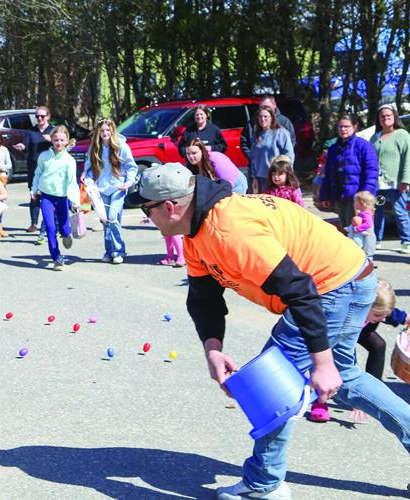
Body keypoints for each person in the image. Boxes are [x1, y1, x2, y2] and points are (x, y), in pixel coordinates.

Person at [125, 162, 410, 499]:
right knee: (345, 376)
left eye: (147, 208)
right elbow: (203, 298)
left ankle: (264, 484)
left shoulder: (229, 229)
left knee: (269, 385)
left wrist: (321, 362)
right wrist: (213, 349)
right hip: (347, 278)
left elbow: (300, 291)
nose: (146, 216)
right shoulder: (196, 231)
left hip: (331, 288)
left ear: (170, 207)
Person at [310, 279, 408, 423]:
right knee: (324, 366)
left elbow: (391, 314)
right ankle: (319, 402)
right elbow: (349, 361)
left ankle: (374, 389)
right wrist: (359, 394)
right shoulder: (347, 315)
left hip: (360, 329)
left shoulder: (378, 311)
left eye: (384, 316)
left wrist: (405, 319)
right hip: (334, 335)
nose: (382, 320)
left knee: (378, 345)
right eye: (378, 316)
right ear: (365, 304)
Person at [81, 118, 137, 264]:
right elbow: (89, 168)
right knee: (105, 221)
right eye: (102, 130)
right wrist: (87, 179)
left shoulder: (121, 146)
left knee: (112, 217)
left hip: (118, 188)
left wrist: (128, 182)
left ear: (112, 131)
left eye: (108, 130)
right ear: (98, 132)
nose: (105, 133)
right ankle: (109, 251)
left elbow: (131, 167)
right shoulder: (94, 148)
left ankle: (119, 251)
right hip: (101, 190)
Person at [30, 125, 79, 271]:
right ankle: (57, 257)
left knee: (64, 228)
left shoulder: (69, 161)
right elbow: (38, 174)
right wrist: (33, 190)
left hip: (62, 198)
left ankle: (66, 234)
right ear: (51, 140)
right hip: (46, 197)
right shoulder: (44, 156)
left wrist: (75, 201)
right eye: (56, 139)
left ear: (67, 141)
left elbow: (72, 183)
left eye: (62, 140)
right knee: (50, 227)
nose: (58, 143)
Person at [319, 114, 379, 230]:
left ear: (355, 126)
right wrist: (325, 195)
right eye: (340, 127)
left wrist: (366, 194)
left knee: (357, 228)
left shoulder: (364, 146)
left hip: (357, 197)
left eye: (346, 126)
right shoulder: (334, 149)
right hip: (339, 195)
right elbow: (328, 174)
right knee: (345, 229)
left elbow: (372, 172)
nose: (343, 130)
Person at [370, 104, 410, 253]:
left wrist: (405, 180)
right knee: (378, 211)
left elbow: (408, 159)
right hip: (379, 186)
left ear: (394, 117)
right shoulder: (375, 137)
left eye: (388, 116)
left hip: (395, 185)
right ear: (379, 119)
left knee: (400, 211)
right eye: (382, 116)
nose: (385, 118)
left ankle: (407, 241)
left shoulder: (402, 135)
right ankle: (377, 240)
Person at [13, 106, 54, 235]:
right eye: (37, 116)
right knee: (34, 195)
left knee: (50, 197)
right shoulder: (31, 131)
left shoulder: (53, 130)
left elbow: (62, 146)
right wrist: (22, 146)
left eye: (42, 116)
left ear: (48, 116)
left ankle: (51, 223)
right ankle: (33, 224)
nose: (39, 119)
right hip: (34, 168)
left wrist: (51, 140)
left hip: (50, 169)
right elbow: (26, 145)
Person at [248, 106, 294, 193]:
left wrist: (285, 176)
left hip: (276, 177)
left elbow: (289, 155)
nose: (262, 119)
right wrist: (254, 178)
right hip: (261, 178)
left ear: (272, 118)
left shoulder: (281, 133)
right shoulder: (256, 135)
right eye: (260, 117)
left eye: (266, 116)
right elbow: (253, 159)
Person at [240, 95, 296, 164]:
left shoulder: (284, 122)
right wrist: (252, 157)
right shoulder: (253, 123)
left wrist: (282, 164)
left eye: (267, 107)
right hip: (259, 168)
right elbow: (244, 141)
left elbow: (290, 145)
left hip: (278, 168)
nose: (264, 109)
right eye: (261, 107)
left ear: (274, 105)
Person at [346, 190, 376, 259]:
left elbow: (368, 224)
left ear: (362, 203)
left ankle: (367, 266)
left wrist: (358, 228)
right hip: (365, 239)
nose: (353, 203)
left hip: (367, 240)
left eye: (355, 201)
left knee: (367, 255)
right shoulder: (363, 213)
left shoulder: (366, 214)